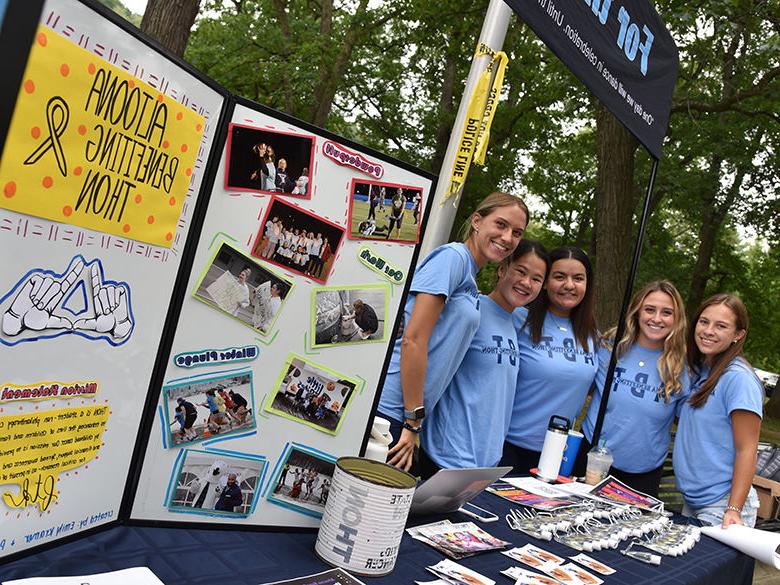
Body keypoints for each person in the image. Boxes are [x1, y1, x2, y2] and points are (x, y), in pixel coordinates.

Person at [377, 192, 529, 471]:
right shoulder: (453, 257)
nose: (508, 237)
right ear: (477, 221)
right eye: (501, 225)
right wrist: (412, 420)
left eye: (517, 232)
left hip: (405, 417)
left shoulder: (470, 276)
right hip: (389, 411)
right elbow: (413, 340)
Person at [418, 241, 549, 479]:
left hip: (486, 463)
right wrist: (413, 425)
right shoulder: (471, 312)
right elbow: (432, 369)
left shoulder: (515, 322)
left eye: (536, 278)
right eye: (520, 271)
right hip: (447, 458)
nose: (526, 283)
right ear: (502, 268)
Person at [575, 281, 690, 497]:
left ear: (677, 320)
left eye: (666, 313)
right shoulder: (609, 348)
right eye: (649, 309)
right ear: (636, 312)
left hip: (642, 475)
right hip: (592, 460)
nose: (656, 318)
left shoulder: (682, 369)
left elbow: (693, 424)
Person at [500, 246, 599, 474]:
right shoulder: (517, 319)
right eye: (559, 276)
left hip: (558, 455)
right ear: (544, 282)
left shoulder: (592, 336)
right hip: (508, 447)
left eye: (578, 278)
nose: (569, 285)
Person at [673, 294, 763, 527]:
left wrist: (734, 510)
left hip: (722, 508)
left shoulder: (739, 379)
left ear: (738, 335)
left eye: (721, 326)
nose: (708, 330)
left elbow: (748, 449)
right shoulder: (704, 371)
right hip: (693, 502)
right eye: (704, 322)